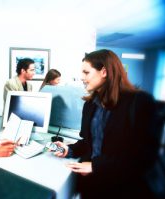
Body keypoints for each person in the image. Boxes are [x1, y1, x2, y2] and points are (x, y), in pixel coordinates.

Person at [53, 49, 158, 198]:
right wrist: (69, 150)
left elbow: (144, 156)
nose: (81, 77)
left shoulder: (139, 101)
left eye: (86, 72)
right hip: (93, 184)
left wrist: (96, 166)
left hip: (122, 187)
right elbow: (90, 144)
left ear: (104, 71)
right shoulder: (90, 105)